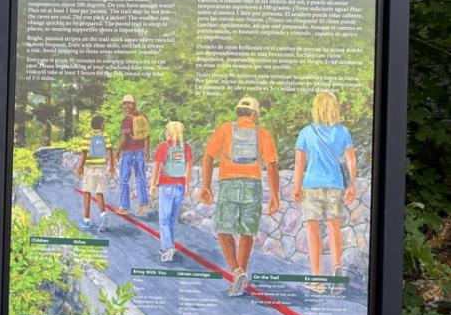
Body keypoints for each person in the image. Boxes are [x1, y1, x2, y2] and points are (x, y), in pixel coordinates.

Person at [200, 96, 280, 296]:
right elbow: (271, 166)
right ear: (254, 114)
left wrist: (206, 186)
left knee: (223, 230)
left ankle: (236, 271)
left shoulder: (226, 129)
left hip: (229, 184)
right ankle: (241, 274)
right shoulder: (262, 134)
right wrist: (275, 195)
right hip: (252, 186)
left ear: (239, 112)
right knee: (246, 232)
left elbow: (208, 156)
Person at [291, 92, 357, 294]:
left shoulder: (306, 132)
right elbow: (351, 160)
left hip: (312, 185)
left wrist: (296, 187)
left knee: (313, 231)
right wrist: (351, 185)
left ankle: (317, 279)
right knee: (333, 226)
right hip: (335, 184)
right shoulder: (343, 132)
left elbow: (300, 162)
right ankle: (337, 267)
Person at [150, 121, 193, 262]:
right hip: (180, 187)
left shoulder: (164, 146)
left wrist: (153, 185)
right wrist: (187, 186)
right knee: (172, 220)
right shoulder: (185, 147)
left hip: (166, 186)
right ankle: (170, 246)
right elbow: (189, 168)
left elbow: (156, 166)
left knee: (163, 220)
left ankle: (167, 248)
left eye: (166, 130)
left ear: (170, 132)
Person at [114, 95, 151, 216]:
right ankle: (144, 204)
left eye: (129, 103)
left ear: (134, 104)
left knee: (124, 180)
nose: (126, 106)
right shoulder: (143, 116)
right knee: (140, 178)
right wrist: (147, 150)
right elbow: (147, 136)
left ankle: (124, 207)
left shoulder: (127, 119)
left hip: (128, 152)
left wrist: (117, 152)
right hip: (140, 151)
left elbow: (124, 138)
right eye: (125, 103)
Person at [77, 115, 115, 231]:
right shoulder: (105, 136)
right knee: (99, 192)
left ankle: (87, 219)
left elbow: (84, 153)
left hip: (89, 168)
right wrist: (111, 165)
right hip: (101, 168)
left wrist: (80, 167)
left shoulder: (87, 136)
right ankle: (103, 215)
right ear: (101, 125)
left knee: (87, 191)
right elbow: (109, 151)